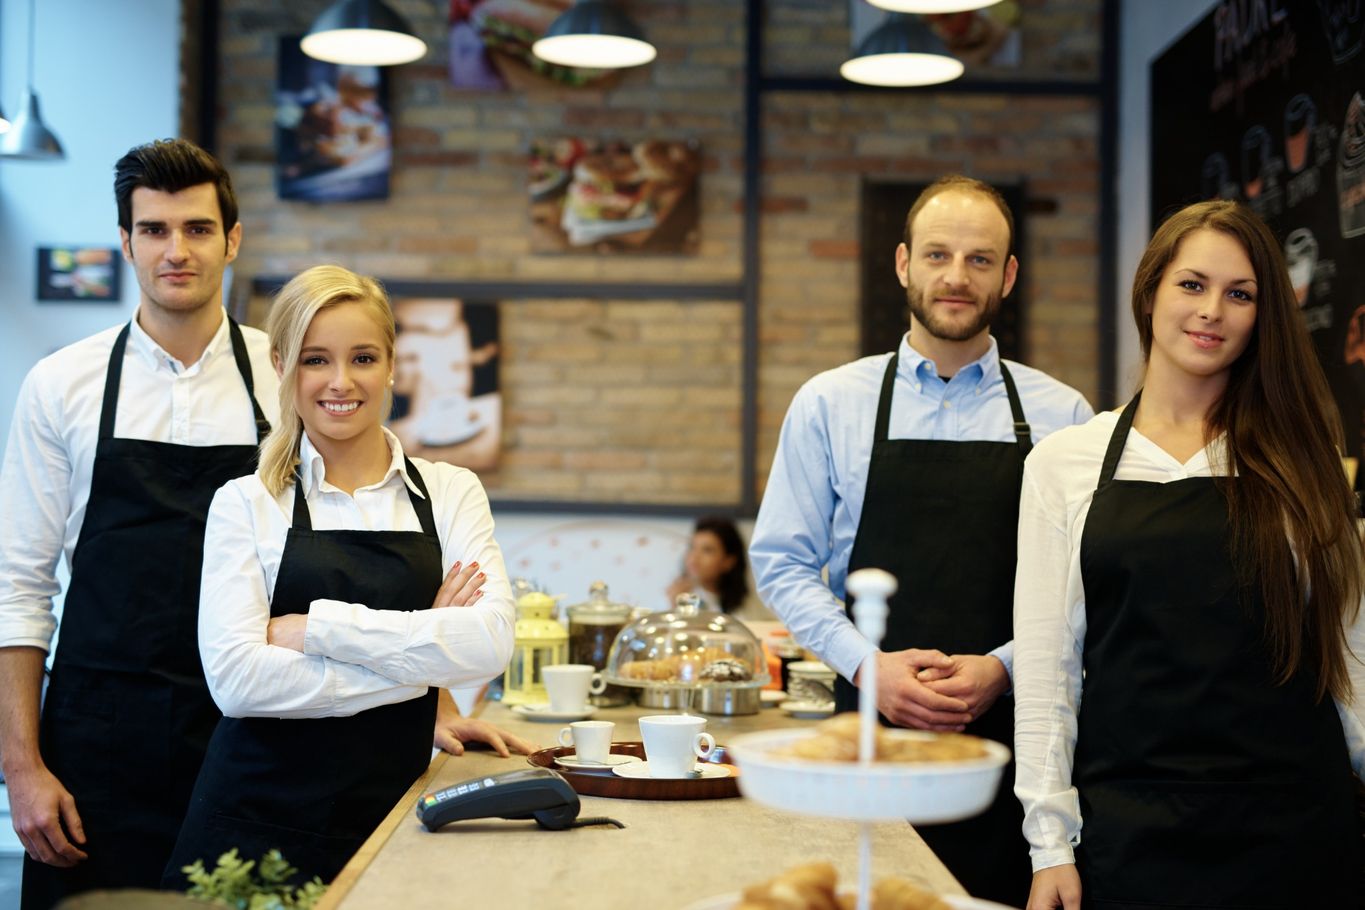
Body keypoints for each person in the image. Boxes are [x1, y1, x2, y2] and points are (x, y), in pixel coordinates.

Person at [750, 174, 1093, 907]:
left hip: (1008, 753)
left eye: (978, 260)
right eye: (938, 255)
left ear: (1007, 276)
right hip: (863, 744)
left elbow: (1080, 584)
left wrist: (1002, 668)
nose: (955, 277)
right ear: (903, 264)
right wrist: (866, 666)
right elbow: (780, 563)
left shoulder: (1062, 415)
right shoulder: (829, 403)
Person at [1014, 200, 1365, 910]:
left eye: (1240, 295)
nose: (1212, 311)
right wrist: (1048, 844)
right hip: (1129, 830)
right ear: (1150, 291)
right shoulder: (1065, 463)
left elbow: (1349, 652)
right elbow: (1049, 670)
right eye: (1192, 284)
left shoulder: (1304, 463)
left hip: (1293, 832)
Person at [162, 265, 516, 886]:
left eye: (363, 357)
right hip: (252, 823)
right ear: (282, 367)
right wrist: (422, 659)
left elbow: (488, 645)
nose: (341, 381)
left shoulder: (452, 491)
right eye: (315, 359)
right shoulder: (245, 503)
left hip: (396, 818)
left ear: (392, 366)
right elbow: (239, 684)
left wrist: (318, 628)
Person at [0, 139, 283, 909]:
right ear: (125, 242)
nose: (176, 250)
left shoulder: (287, 379)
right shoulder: (61, 384)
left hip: (248, 734)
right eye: (154, 230)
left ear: (232, 238)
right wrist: (22, 770)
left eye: (196, 229)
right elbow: (18, 591)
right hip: (97, 743)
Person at [666, 517, 774, 623]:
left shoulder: (747, 602)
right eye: (692, 547)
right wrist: (676, 609)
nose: (694, 557)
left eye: (707, 550)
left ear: (729, 561)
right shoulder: (677, 596)